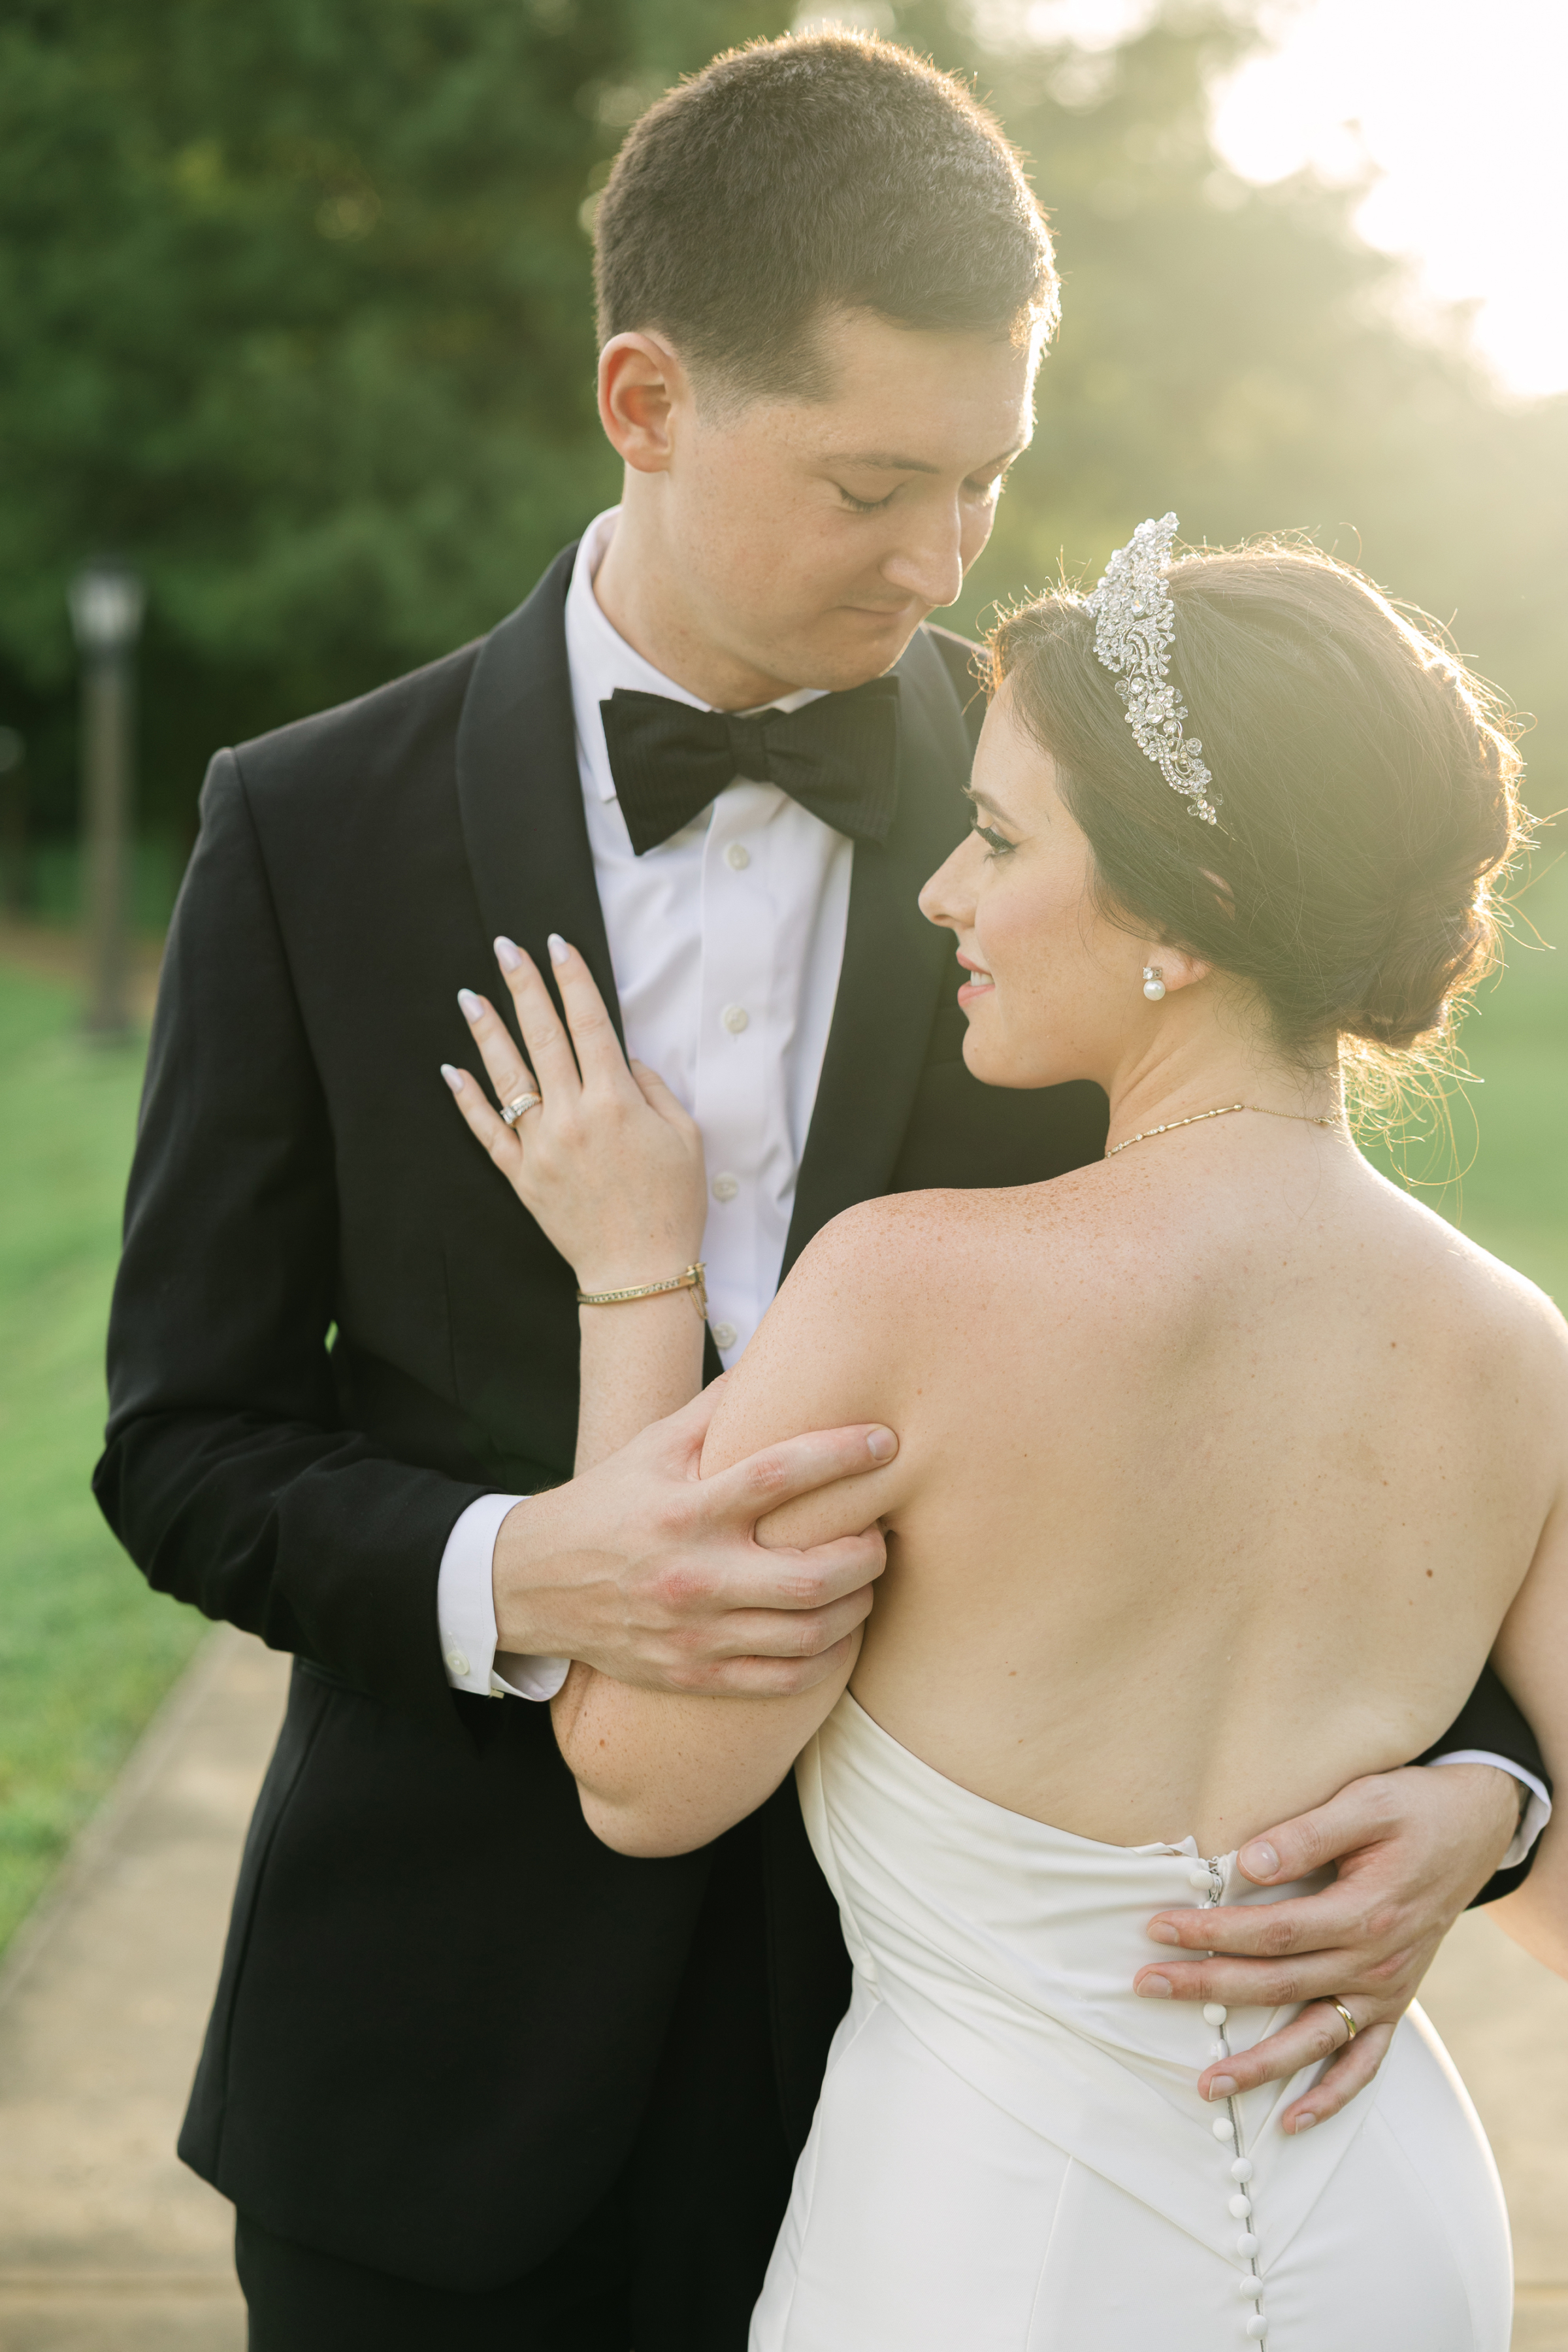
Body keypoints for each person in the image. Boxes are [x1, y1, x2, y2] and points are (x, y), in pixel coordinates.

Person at [94, 32, 1545, 2351]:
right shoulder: (309, 830)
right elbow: (181, 1443)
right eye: (878, 481)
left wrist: (1493, 1794)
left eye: (989, 479)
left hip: (952, 2098)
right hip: (443, 2069)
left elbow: (1308, 1368)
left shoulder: (1085, 839)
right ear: (645, 399)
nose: (947, 557)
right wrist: (512, 1566)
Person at [452, 519, 1567, 2349]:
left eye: (997, 838)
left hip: (990, 2260)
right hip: (1393, 2237)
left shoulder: (904, 1294)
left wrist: (637, 1280)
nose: (941, 897)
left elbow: (642, 1777)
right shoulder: (1516, 1346)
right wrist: (1489, 1803)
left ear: (1184, 907)